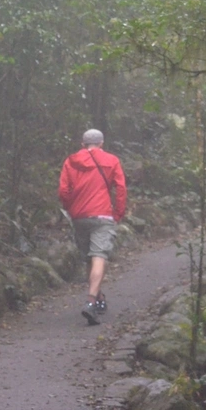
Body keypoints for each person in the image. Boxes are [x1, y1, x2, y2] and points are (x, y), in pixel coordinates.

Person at [58, 128, 127, 325]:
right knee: (99, 256)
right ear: (102, 144)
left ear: (83, 144)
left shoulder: (71, 161)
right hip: (103, 214)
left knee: (89, 257)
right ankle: (90, 302)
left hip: (79, 216)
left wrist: (70, 208)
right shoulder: (112, 160)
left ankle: (98, 297)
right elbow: (121, 188)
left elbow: (63, 190)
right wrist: (118, 213)